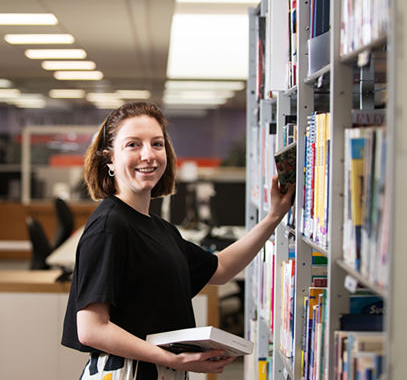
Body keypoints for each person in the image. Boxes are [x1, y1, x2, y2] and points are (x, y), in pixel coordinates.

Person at [61, 102, 295, 379]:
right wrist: (174, 359)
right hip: (128, 372)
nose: (148, 155)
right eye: (133, 145)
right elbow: (91, 329)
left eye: (156, 144)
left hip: (160, 370)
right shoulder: (109, 226)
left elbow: (219, 269)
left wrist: (272, 218)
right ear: (109, 159)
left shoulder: (159, 229)